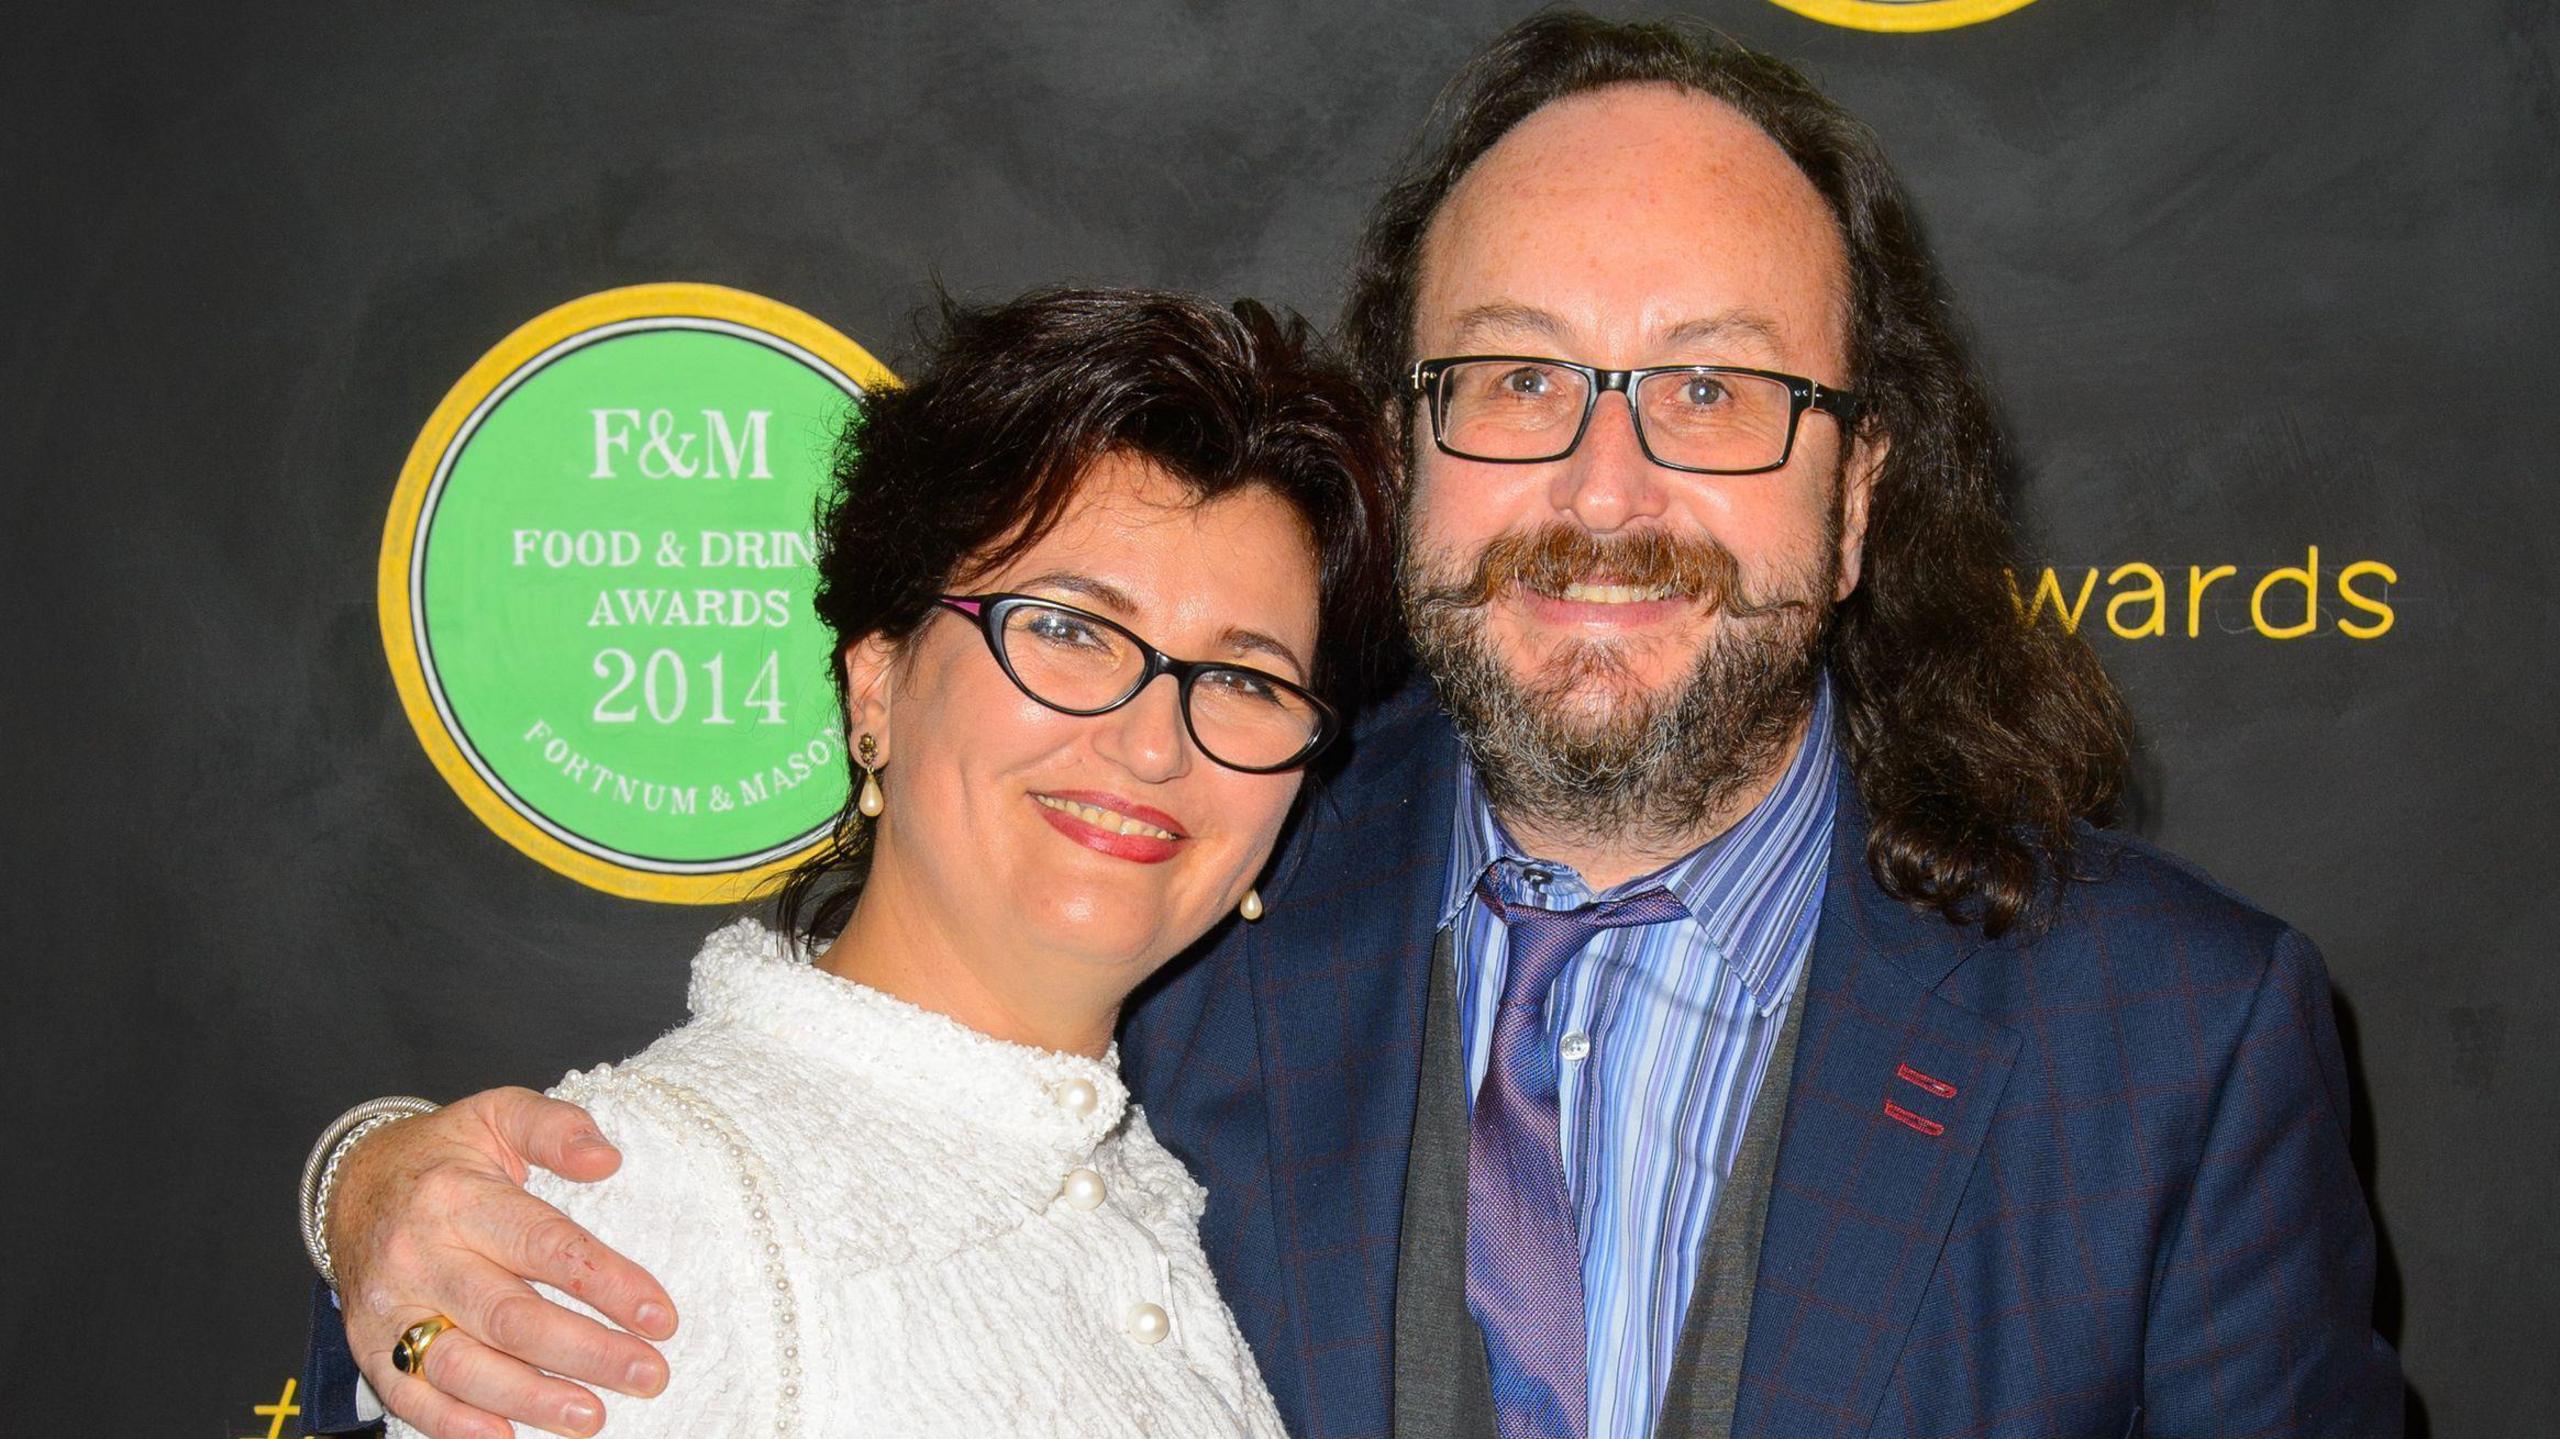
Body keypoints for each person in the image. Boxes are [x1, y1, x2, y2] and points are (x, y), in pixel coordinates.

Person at [304, 14, 2403, 1439]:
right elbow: (763, 1132)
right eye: (1513, 375)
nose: (1604, 487)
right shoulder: (1182, 880)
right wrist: (375, 1188)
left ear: (1852, 496)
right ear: (1411, 449)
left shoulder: (2173, 1047)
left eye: (1713, 385)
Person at [309, 285, 1398, 1435]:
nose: (1150, 740)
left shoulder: (1148, 1179)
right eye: (1068, 628)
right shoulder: (657, 1206)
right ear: (875, 680)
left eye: (1244, 678)